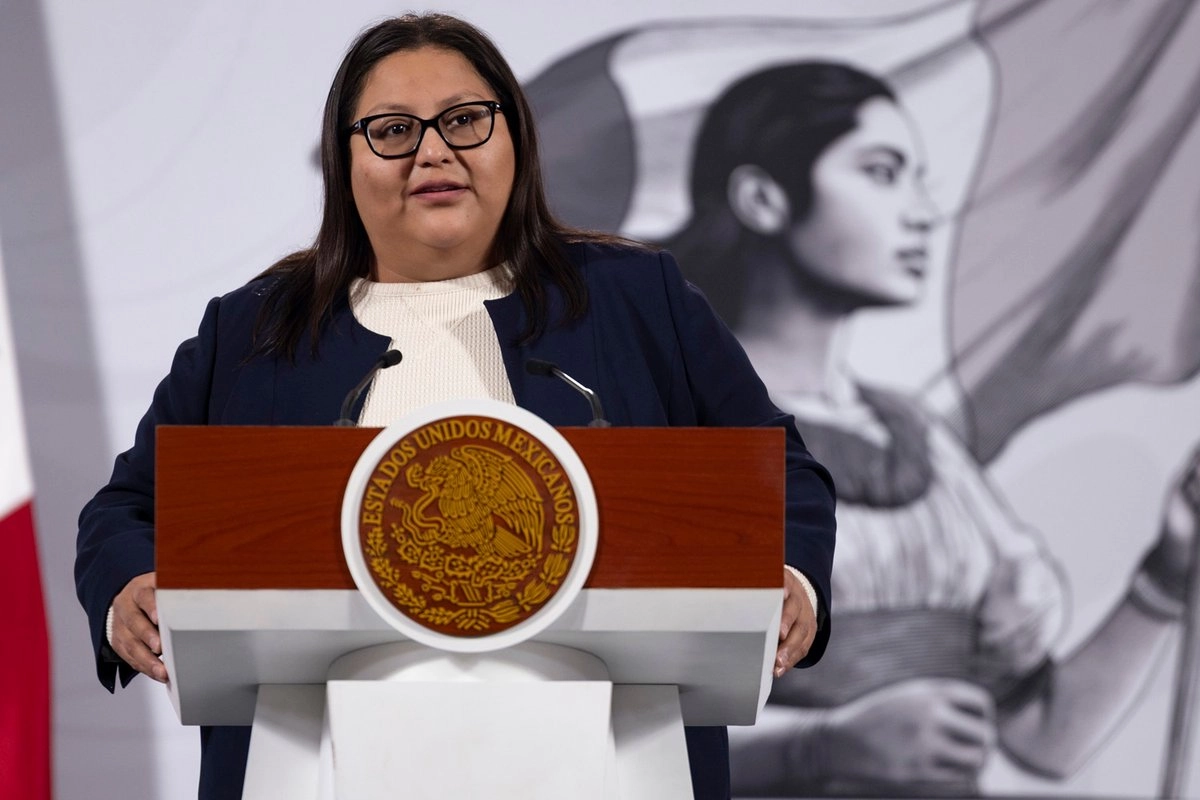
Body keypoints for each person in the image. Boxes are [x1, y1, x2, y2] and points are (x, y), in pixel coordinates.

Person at [73, 15, 837, 800]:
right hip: (315, 762)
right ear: (343, 159)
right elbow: (126, 509)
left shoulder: (636, 298)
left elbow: (780, 471)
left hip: (607, 761)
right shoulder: (255, 329)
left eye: (465, 120)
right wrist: (127, 587)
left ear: (516, 138)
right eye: (393, 131)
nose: (433, 152)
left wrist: (793, 580)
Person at [666, 61, 1200, 797]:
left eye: (919, 180)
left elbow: (1043, 738)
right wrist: (817, 749)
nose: (922, 212)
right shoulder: (678, 425)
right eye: (882, 173)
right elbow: (617, 734)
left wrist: (1167, 573)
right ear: (763, 198)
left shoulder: (921, 439)